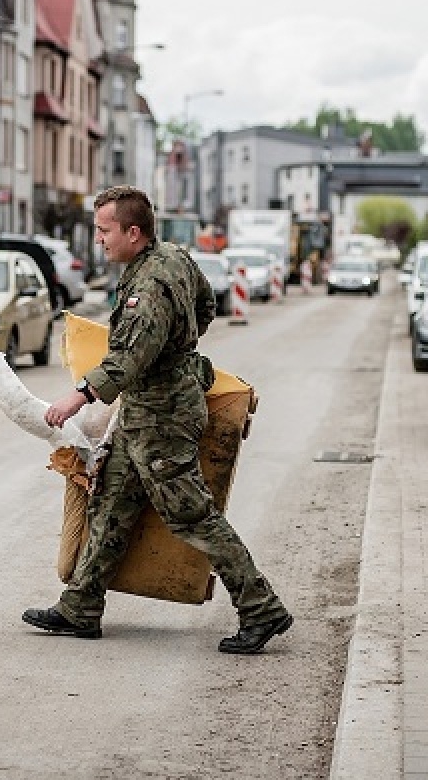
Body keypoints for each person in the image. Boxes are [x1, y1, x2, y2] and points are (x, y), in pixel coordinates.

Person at [26, 186, 293, 654]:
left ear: (133, 231)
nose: (99, 241)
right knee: (111, 501)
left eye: (104, 231)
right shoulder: (175, 258)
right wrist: (176, 343)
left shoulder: (148, 284)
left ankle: (261, 608)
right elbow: (207, 308)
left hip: (163, 416)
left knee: (192, 515)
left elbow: (130, 356)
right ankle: (80, 607)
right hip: (144, 410)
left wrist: (78, 396)